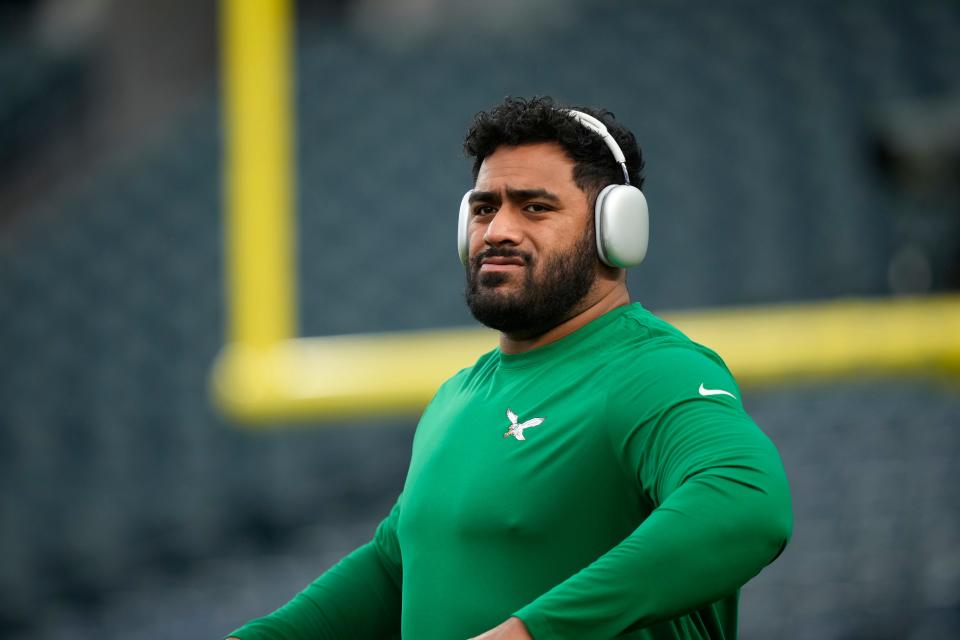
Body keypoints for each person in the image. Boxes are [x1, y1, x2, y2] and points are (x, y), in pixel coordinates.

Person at [227, 96, 792, 640]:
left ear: (616, 228)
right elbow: (396, 568)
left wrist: (533, 632)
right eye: (483, 207)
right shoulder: (458, 395)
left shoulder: (653, 371)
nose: (497, 230)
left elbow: (745, 505)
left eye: (535, 207)